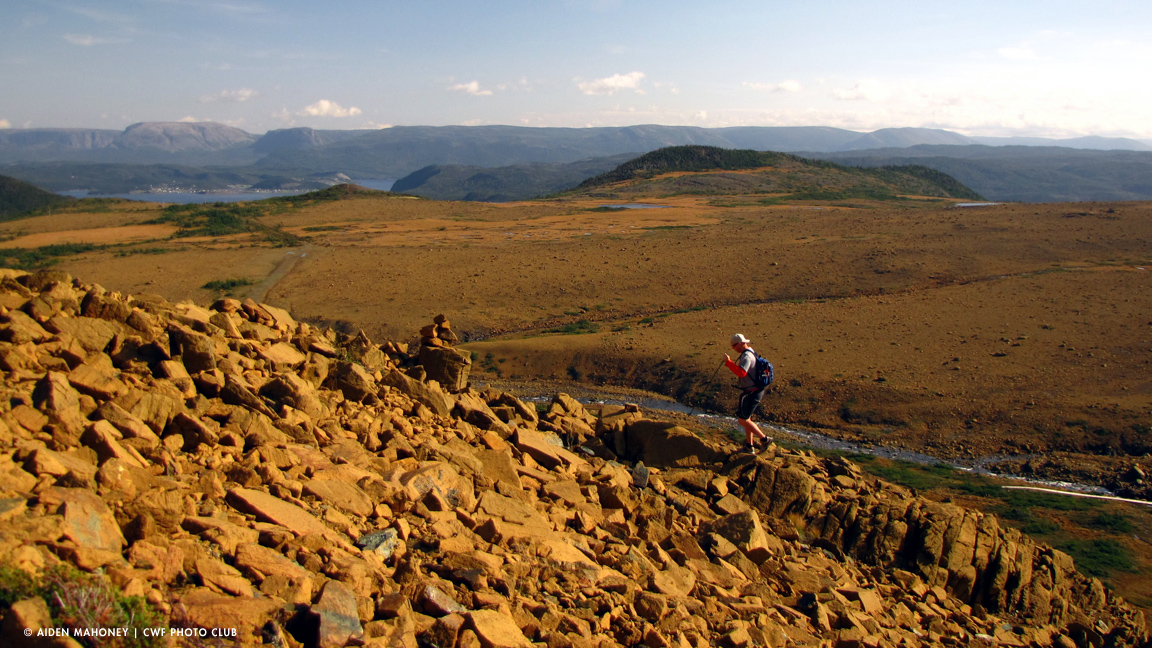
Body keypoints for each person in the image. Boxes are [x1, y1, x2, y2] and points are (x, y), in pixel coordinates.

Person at [723, 333, 771, 453]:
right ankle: (749, 446)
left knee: (742, 420)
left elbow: (742, 372)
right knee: (747, 418)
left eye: (734, 346)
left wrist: (729, 363)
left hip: (751, 392)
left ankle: (764, 439)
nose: (733, 349)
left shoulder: (747, 356)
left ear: (740, 344)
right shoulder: (751, 352)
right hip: (754, 390)